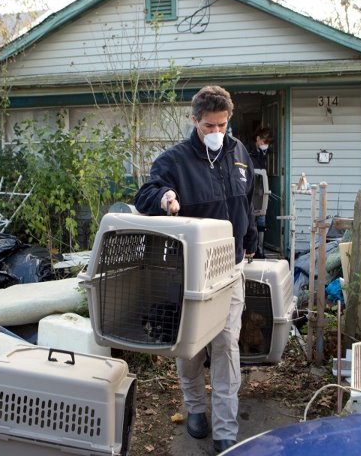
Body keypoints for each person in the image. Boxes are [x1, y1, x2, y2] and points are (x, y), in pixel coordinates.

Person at [135, 85, 257, 454]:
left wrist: (252, 238)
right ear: (194, 121)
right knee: (190, 347)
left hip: (229, 268)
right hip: (186, 273)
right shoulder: (175, 159)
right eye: (209, 126)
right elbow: (145, 194)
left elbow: (247, 202)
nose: (217, 132)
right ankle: (195, 409)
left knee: (225, 346)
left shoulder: (239, 154)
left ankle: (225, 427)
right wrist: (164, 197)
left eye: (222, 125)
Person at [248, 127, 272, 258]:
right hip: (252, 191)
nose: (265, 145)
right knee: (252, 221)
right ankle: (253, 250)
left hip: (262, 191)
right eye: (264, 141)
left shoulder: (264, 154)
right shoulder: (248, 152)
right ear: (258, 139)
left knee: (261, 222)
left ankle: (260, 250)